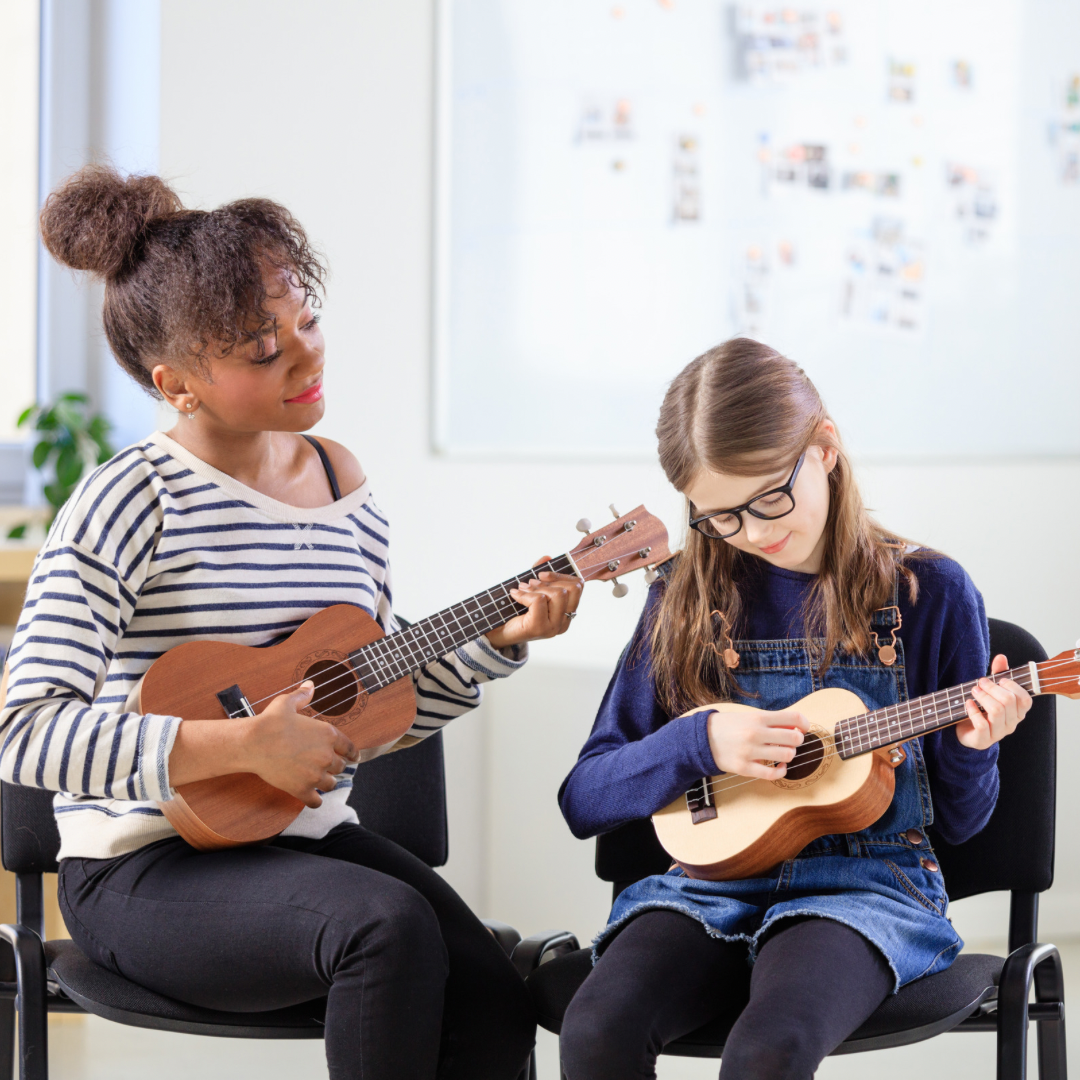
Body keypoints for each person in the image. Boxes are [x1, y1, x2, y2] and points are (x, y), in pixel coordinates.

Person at [0, 166, 583, 1080]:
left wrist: (493, 649)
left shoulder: (347, 491)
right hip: (143, 870)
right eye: (259, 350)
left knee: (489, 988)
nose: (306, 358)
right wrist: (234, 750)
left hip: (301, 845)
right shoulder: (129, 498)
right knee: (382, 929)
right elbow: (24, 732)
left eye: (305, 321)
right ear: (177, 382)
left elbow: (363, 717)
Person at [556, 338, 1031, 1080]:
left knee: (768, 1051)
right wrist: (700, 741)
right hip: (705, 885)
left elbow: (964, 827)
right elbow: (585, 798)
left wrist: (976, 747)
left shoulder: (927, 593)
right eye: (719, 516)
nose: (753, 532)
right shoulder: (683, 596)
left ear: (826, 449)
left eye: (769, 497)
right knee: (594, 1033)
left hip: (870, 888)